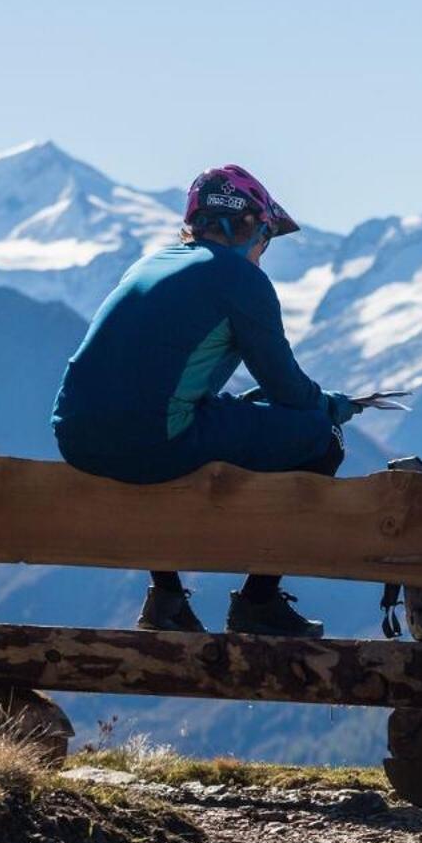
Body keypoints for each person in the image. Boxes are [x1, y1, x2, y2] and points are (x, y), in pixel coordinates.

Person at [50, 164, 362, 636]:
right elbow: (289, 392)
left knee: (164, 434)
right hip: (154, 439)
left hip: (74, 435)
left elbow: (161, 380)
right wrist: (327, 403)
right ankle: (259, 603)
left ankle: (166, 597)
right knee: (322, 439)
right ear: (250, 226)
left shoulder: (150, 264)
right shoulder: (241, 280)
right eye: (267, 237)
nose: (264, 251)